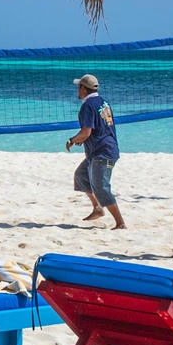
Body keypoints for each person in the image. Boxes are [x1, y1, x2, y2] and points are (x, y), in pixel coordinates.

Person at [66, 72, 124, 228]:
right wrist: (83, 138)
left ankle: (120, 223)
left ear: (84, 89)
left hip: (103, 153)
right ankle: (97, 208)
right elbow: (97, 128)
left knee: (102, 188)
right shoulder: (103, 102)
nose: (77, 90)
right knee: (81, 176)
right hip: (102, 149)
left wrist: (72, 140)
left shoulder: (87, 106)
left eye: (79, 87)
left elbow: (86, 132)